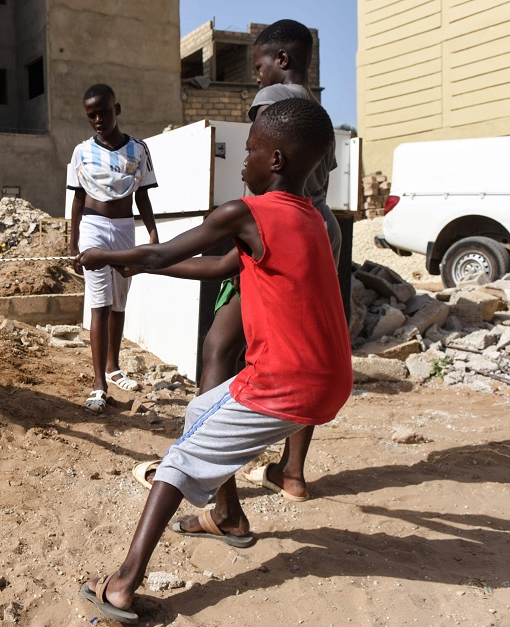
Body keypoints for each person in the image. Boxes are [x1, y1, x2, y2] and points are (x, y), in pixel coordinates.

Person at [76, 97, 353, 623]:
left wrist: (107, 257)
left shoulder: (247, 213)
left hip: (285, 383)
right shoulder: (312, 220)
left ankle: (121, 586)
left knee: (178, 461)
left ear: (274, 160)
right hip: (327, 380)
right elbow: (218, 266)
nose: (242, 162)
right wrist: (141, 269)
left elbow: (162, 252)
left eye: (249, 152)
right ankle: (227, 516)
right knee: (201, 409)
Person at [134, 21, 341, 542]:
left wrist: (119, 256)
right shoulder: (320, 143)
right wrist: (133, 262)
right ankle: (280, 478)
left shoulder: (274, 109)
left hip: (269, 236)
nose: (257, 78)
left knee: (219, 350)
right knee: (277, 344)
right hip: (307, 249)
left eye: (247, 149)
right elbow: (212, 264)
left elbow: (173, 252)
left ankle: (127, 577)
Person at [67, 83, 159, 412]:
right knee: (99, 302)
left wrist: (152, 233)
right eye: (91, 115)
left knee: (119, 299)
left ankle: (113, 367)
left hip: (123, 229)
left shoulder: (138, 149)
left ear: (116, 110)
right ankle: (98, 384)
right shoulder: (81, 152)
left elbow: (143, 195)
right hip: (92, 226)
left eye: (103, 112)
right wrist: (72, 240)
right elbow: (77, 198)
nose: (98, 119)